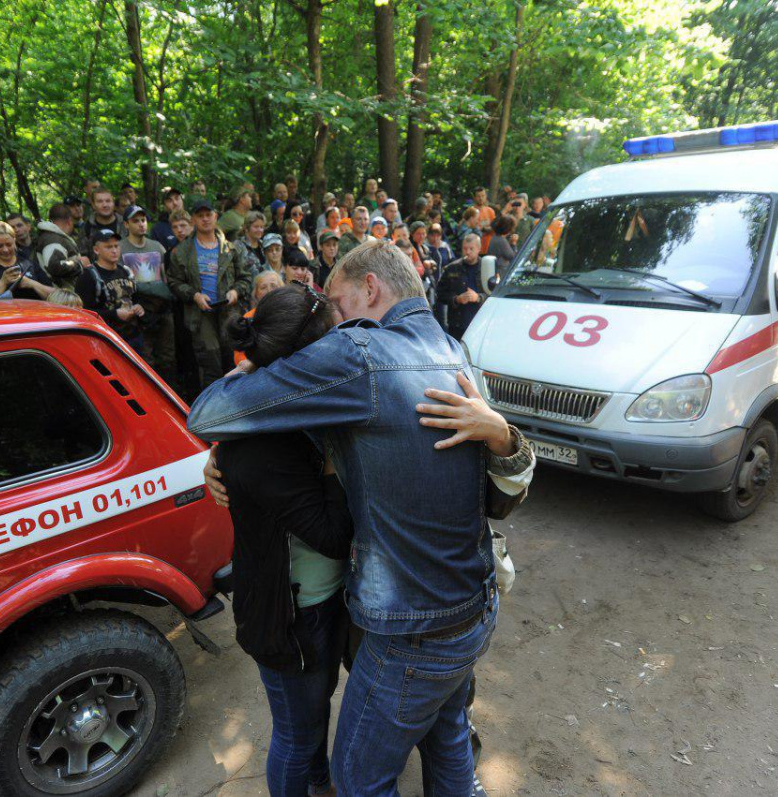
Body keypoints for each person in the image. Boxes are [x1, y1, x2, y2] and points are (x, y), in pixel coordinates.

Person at [188, 241, 531, 794]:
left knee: (357, 774)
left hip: (415, 626)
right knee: (446, 740)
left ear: (370, 288)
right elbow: (497, 498)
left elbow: (206, 412)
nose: (335, 323)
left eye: (339, 305)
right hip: (474, 601)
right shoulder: (454, 350)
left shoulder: (362, 356)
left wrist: (245, 387)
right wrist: (508, 437)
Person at [216, 285, 353, 797]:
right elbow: (334, 535)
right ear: (307, 356)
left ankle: (320, 783)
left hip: (316, 600)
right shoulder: (264, 440)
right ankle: (309, 779)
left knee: (314, 714)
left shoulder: (283, 412)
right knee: (297, 734)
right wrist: (337, 463)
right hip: (295, 615)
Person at [166, 200, 251, 388]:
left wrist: (235, 291)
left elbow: (245, 278)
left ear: (215, 216)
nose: (205, 219)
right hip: (200, 315)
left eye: (208, 215)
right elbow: (173, 282)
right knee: (210, 365)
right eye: (200, 216)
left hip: (229, 313)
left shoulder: (231, 248)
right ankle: (213, 411)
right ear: (194, 219)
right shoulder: (181, 252)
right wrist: (194, 295)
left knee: (235, 360)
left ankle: (239, 407)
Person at [120, 205, 177, 388]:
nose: (141, 224)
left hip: (162, 308)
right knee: (146, 357)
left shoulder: (157, 246)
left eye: (143, 220)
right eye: (135, 221)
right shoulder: (120, 248)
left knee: (168, 355)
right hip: (139, 310)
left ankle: (171, 394)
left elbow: (165, 277)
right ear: (126, 224)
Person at [78, 228, 146, 343]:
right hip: (107, 340)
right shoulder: (88, 276)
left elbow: (135, 298)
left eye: (116, 246)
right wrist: (114, 314)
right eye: (109, 247)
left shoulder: (126, 271)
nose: (114, 250)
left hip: (133, 335)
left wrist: (138, 307)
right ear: (96, 250)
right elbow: (83, 312)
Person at [0, 220, 55, 301]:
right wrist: (3, 282)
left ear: (14, 241)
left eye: (9, 244)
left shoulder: (28, 264)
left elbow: (55, 295)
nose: (5, 250)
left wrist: (31, 283)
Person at [437, 233, 487, 339]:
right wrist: (456, 299)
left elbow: (496, 294)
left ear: (479, 249)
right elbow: (440, 293)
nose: (467, 252)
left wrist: (478, 297)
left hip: (480, 323)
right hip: (457, 325)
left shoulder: (487, 268)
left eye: (471, 249)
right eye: (465, 249)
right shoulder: (452, 268)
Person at [34, 202, 90, 290]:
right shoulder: (52, 239)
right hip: (59, 296)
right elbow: (55, 266)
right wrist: (80, 264)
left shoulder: (54, 237)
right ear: (69, 221)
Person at [80, 188, 125, 258]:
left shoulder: (125, 224)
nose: (105, 205)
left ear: (113, 203)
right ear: (93, 205)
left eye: (108, 201)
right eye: (100, 201)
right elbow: (82, 254)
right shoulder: (87, 227)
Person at [234, 211, 269, 276]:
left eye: (261, 227)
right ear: (246, 228)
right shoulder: (238, 245)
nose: (260, 230)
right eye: (256, 227)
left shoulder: (265, 245)